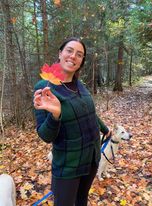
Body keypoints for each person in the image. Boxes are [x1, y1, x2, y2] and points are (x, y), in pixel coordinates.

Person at [33, 37, 110, 206]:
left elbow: (90, 114)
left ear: (81, 61)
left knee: (81, 200)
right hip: (68, 166)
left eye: (79, 54)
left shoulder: (79, 84)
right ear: (60, 53)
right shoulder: (44, 87)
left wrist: (105, 129)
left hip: (91, 159)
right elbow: (45, 135)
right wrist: (55, 115)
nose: (73, 56)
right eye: (69, 50)